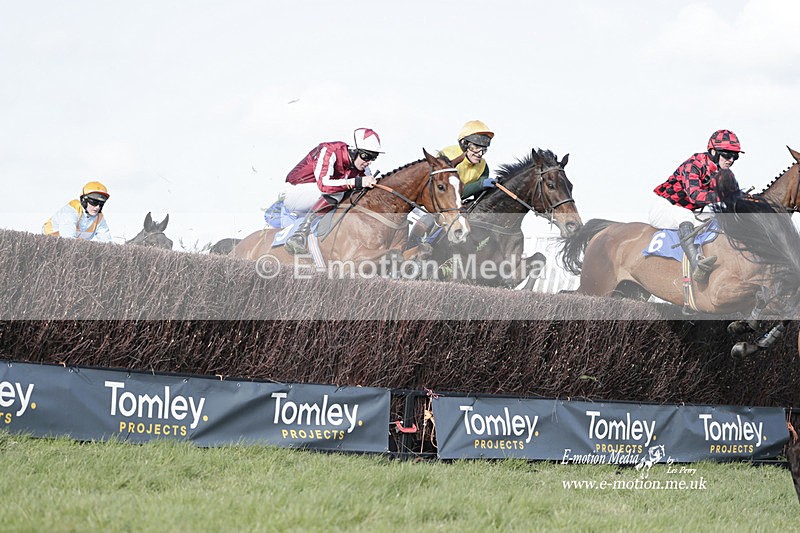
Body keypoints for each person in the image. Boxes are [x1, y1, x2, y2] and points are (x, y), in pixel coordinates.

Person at [649, 129, 744, 283]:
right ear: (713, 152)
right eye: (727, 155)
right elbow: (695, 195)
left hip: (688, 211)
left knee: (718, 218)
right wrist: (723, 196)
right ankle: (696, 264)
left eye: (735, 156)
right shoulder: (694, 164)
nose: (731, 160)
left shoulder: (727, 174)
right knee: (685, 215)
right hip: (664, 207)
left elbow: (736, 197)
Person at [282, 127, 383, 255]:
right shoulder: (329, 151)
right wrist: (357, 182)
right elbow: (324, 185)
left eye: (373, 157)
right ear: (353, 150)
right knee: (338, 192)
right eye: (366, 156)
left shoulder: (361, 166)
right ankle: (300, 234)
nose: (368, 162)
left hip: (319, 196)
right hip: (296, 191)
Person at [406, 120, 495, 249]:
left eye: (483, 150)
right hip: (438, 202)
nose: (479, 153)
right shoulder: (447, 156)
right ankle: (411, 247)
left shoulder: (483, 166)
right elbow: (450, 191)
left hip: (460, 206)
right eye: (475, 148)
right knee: (427, 221)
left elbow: (478, 196)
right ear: (464, 144)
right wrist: (480, 185)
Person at [43, 181, 112, 242]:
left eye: (101, 204)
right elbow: (68, 239)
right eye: (94, 202)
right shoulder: (71, 210)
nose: (97, 207)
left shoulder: (99, 217)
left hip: (73, 247)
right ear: (84, 200)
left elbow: (107, 241)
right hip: (48, 243)